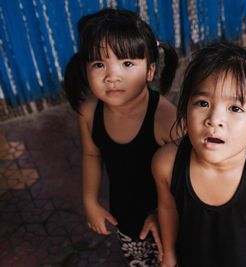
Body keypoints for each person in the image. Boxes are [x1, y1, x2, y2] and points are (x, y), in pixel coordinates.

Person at [152, 42, 246, 267]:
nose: (214, 119)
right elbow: (168, 207)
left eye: (235, 108)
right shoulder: (166, 164)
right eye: (203, 103)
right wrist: (169, 252)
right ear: (184, 111)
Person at [63, 8, 178, 266]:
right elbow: (92, 154)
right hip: (126, 216)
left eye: (127, 63)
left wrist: (164, 214)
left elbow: (188, 181)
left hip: (171, 218)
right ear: (85, 69)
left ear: (150, 71)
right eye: (99, 64)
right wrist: (89, 200)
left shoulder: (166, 120)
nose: (111, 76)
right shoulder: (89, 112)